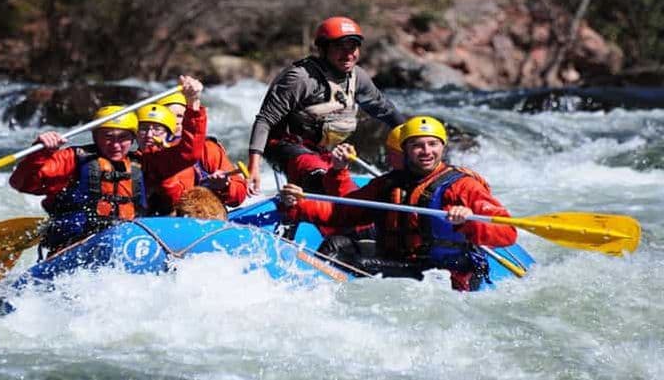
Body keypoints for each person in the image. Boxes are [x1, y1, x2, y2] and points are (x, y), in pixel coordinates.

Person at [279, 116, 517, 291]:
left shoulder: (462, 186)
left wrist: (468, 222)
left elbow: (507, 232)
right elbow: (345, 212)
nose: (426, 151)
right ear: (405, 150)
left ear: (442, 147)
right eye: (417, 145)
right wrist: (299, 204)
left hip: (444, 274)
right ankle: (314, 297)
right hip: (402, 261)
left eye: (432, 144)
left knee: (359, 262)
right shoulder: (390, 183)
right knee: (336, 244)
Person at [247, 16, 405, 195]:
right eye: (339, 47)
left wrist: (411, 136)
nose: (348, 54)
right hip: (283, 145)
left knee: (342, 186)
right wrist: (254, 167)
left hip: (318, 149)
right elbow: (265, 120)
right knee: (322, 184)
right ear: (323, 49)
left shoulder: (358, 77)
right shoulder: (301, 78)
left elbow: (384, 109)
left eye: (352, 47)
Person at [9, 105, 141, 255]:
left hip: (128, 245)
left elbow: (170, 176)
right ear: (95, 136)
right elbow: (23, 183)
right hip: (74, 248)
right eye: (108, 136)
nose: (116, 145)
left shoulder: (142, 162)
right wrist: (40, 154)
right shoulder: (72, 159)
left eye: (123, 137)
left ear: (133, 138)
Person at [136, 76, 245, 216]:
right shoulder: (144, 155)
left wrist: (225, 186)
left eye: (181, 116)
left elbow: (239, 196)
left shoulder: (207, 149)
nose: (176, 122)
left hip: (205, 218)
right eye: (169, 116)